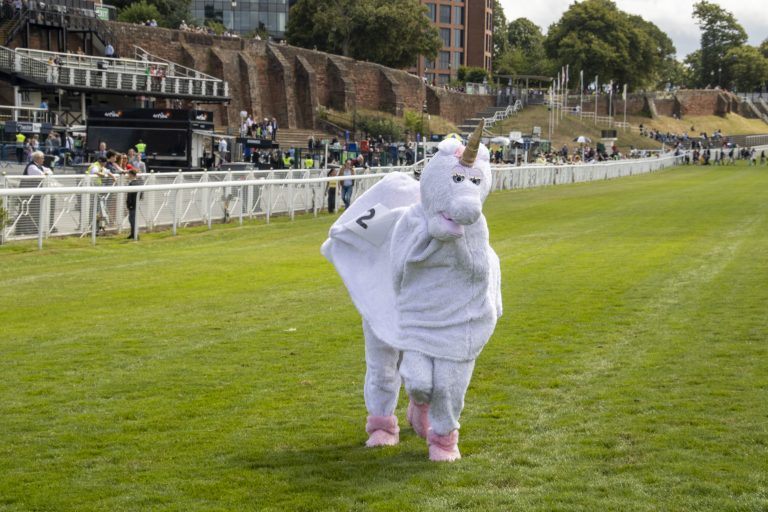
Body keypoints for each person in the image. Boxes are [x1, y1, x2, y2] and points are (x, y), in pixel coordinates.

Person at [125, 167, 143, 240]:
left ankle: (135, 234)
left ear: (131, 175)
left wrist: (129, 203)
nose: (128, 176)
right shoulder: (138, 183)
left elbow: (130, 195)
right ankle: (133, 233)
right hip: (135, 203)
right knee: (131, 218)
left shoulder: (132, 184)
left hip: (132, 204)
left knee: (132, 219)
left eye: (129, 174)